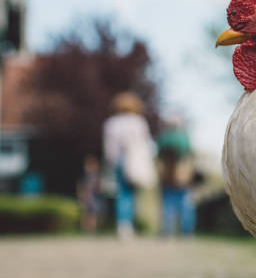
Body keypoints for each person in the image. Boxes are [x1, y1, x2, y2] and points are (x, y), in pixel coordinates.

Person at [102, 92, 155, 239]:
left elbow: (109, 149)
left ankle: (123, 225)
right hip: (135, 163)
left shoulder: (111, 123)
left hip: (118, 162)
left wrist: (111, 163)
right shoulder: (139, 122)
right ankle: (129, 225)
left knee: (122, 194)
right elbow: (146, 145)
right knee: (131, 194)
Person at [157, 114, 196, 237]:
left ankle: (166, 232)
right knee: (185, 205)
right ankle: (187, 232)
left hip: (166, 176)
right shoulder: (184, 137)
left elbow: (159, 156)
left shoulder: (163, 137)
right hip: (182, 176)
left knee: (167, 205)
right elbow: (189, 155)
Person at [77, 155, 102, 233]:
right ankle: (85, 228)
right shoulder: (84, 177)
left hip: (95, 199)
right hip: (87, 199)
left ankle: (92, 229)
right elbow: (80, 187)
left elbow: (99, 188)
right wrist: (81, 196)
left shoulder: (97, 177)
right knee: (86, 214)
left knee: (93, 214)